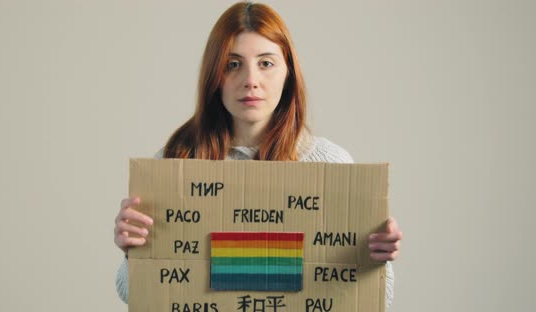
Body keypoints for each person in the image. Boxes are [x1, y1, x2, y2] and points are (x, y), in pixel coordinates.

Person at [113, 1, 403, 308]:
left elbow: (380, 297)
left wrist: (376, 257)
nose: (251, 80)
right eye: (233, 64)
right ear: (214, 75)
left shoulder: (332, 164)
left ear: (288, 73)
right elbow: (131, 292)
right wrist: (133, 250)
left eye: (266, 63)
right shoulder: (175, 162)